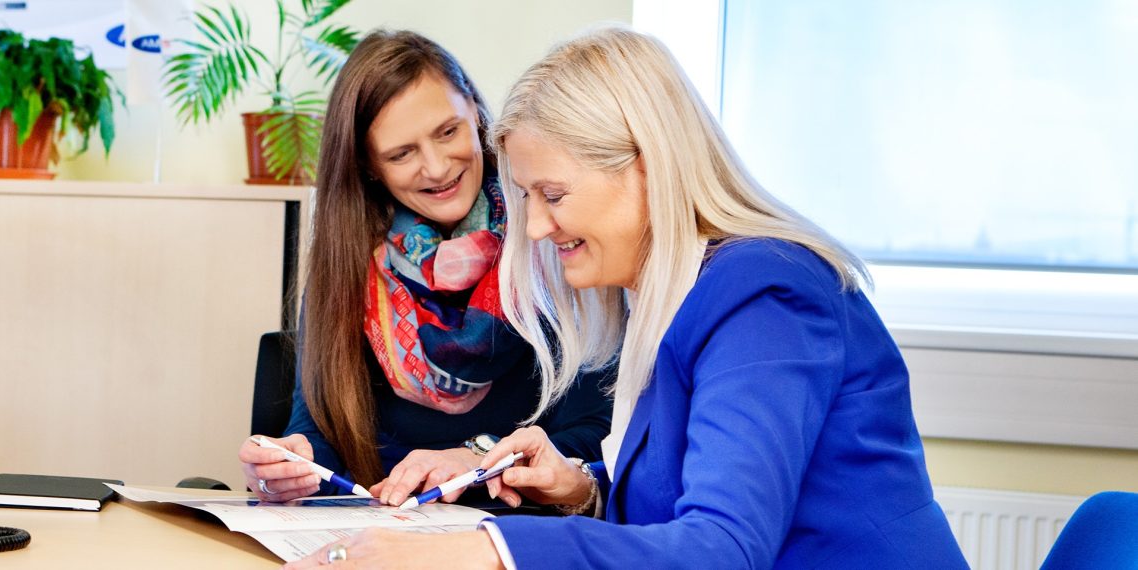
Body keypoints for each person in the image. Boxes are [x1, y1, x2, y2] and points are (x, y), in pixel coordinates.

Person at [283, 26, 968, 569]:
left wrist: (480, 548)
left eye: (551, 196)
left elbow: (722, 548)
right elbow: (682, 501)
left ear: (646, 168)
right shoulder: (671, 292)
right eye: (525, 198)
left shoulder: (765, 295)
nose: (539, 228)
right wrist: (580, 487)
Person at [238, 29, 612, 507]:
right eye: (401, 154)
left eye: (448, 131)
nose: (436, 168)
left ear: (476, 115)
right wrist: (292, 459)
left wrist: (480, 458)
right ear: (370, 166)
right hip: (384, 527)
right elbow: (320, 428)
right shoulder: (349, 265)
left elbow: (599, 434)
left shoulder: (553, 235)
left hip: (522, 530)